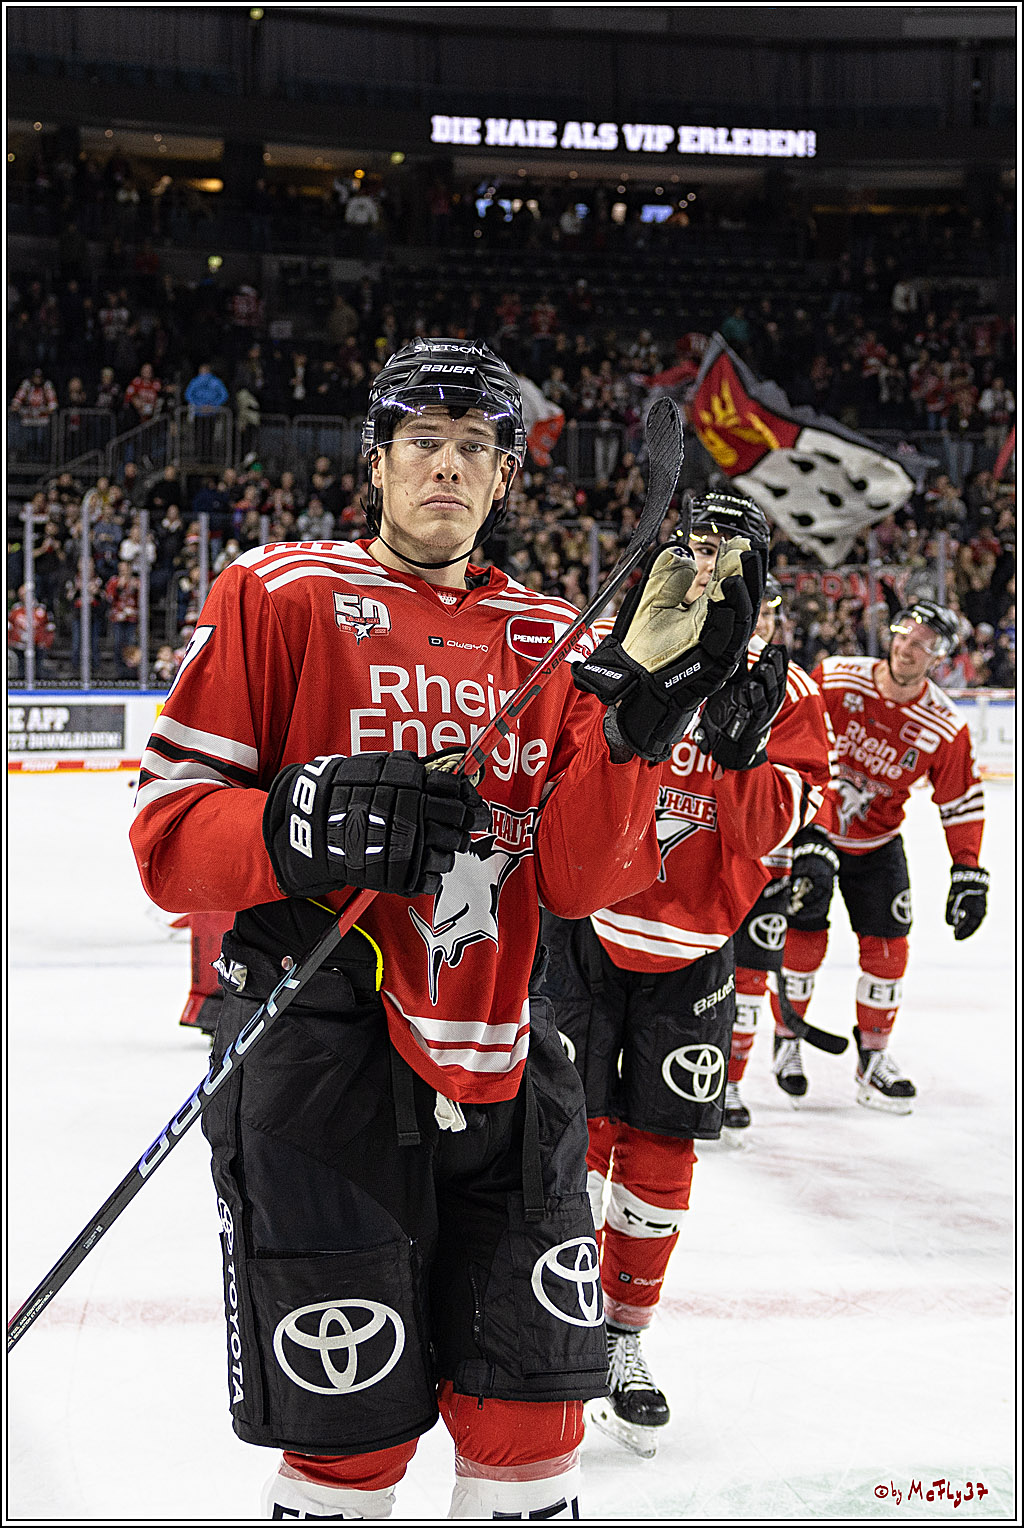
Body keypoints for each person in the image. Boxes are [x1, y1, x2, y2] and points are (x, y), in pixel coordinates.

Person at [129, 339, 761, 1519]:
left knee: (531, 1429)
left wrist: (640, 724)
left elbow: (577, 879)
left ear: (507, 478)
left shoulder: (554, 639)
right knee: (350, 1439)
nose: (448, 467)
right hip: (324, 1048)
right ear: (375, 460)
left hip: (512, 1057)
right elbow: (167, 836)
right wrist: (298, 826)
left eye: (477, 448)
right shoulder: (278, 595)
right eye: (422, 441)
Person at [537, 495, 831, 1457]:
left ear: (764, 591)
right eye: (698, 547)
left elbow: (761, 834)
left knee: (660, 1161)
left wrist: (741, 754)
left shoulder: (793, 696)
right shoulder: (627, 641)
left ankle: (623, 1340)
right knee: (574, 1143)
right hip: (587, 929)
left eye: (730, 555)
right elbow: (566, 779)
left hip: (692, 955)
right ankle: (562, 1320)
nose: (709, 567)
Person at [773, 599, 989, 1113]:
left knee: (890, 949)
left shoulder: (944, 724)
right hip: (815, 832)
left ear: (939, 657)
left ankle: (873, 1057)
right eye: (903, 633)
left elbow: (960, 801)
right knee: (804, 937)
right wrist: (809, 831)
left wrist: (968, 870)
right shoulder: (838, 677)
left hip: (878, 845)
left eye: (922, 643)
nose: (906, 647)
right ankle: (788, 1040)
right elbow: (797, 749)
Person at [725, 573, 830, 1129]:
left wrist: (816, 846)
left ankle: (731, 1086)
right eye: (755, 614)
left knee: (749, 982)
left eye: (769, 617)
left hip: (769, 863)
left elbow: (814, 779)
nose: (760, 625)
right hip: (699, 855)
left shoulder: (792, 688)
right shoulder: (698, 669)